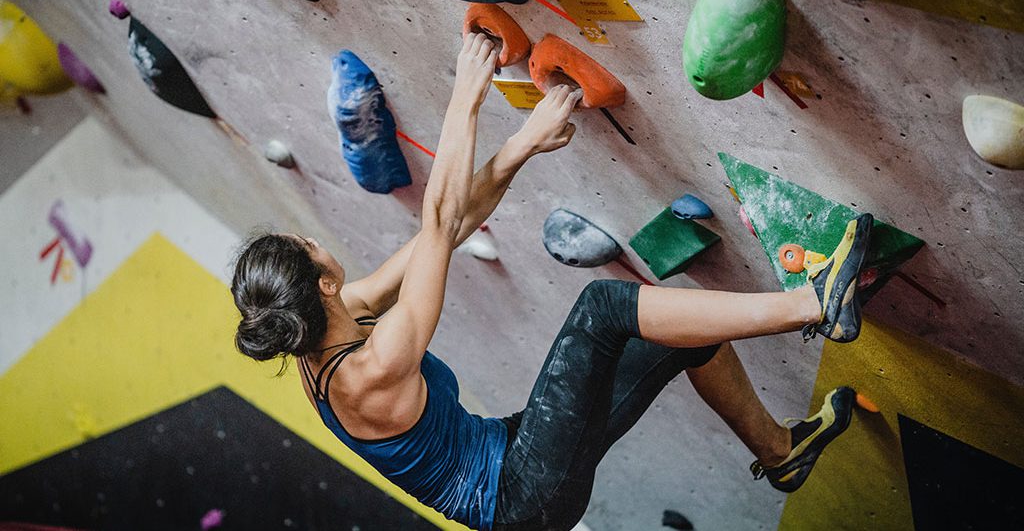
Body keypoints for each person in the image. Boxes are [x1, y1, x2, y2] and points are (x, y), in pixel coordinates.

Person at [231, 33, 869, 531]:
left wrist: (523, 146)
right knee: (605, 307)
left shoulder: (340, 318)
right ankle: (815, 304)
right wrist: (467, 94)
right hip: (523, 495)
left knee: (684, 326)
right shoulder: (370, 371)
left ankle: (782, 452)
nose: (313, 241)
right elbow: (441, 214)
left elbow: (447, 232)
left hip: (519, 454)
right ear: (320, 285)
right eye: (305, 247)